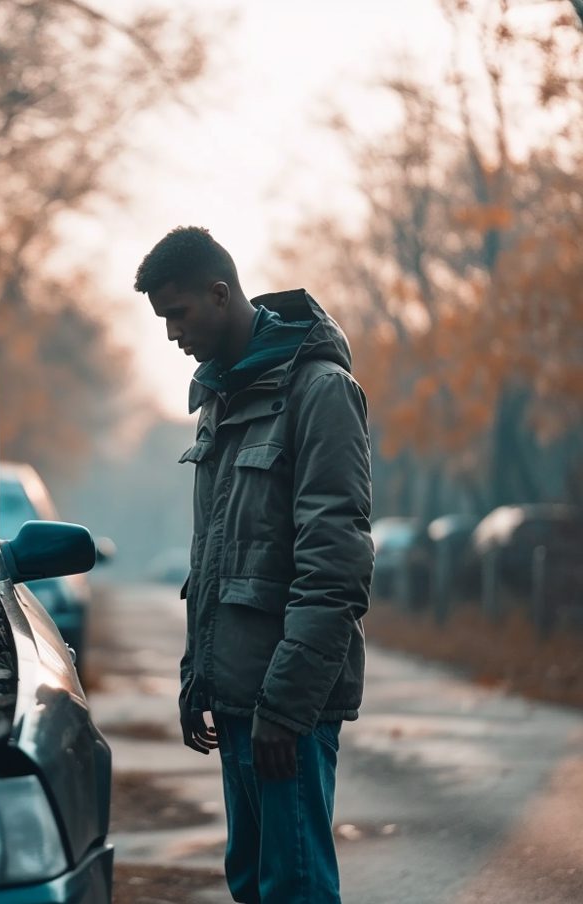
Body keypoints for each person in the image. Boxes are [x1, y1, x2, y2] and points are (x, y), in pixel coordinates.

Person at [133, 226, 373, 904]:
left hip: (284, 705)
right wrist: (195, 677)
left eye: (177, 314)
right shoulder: (221, 398)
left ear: (219, 293)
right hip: (236, 697)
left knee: (293, 889)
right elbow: (212, 554)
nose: (171, 334)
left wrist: (287, 708)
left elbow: (337, 563)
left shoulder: (321, 391)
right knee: (252, 886)